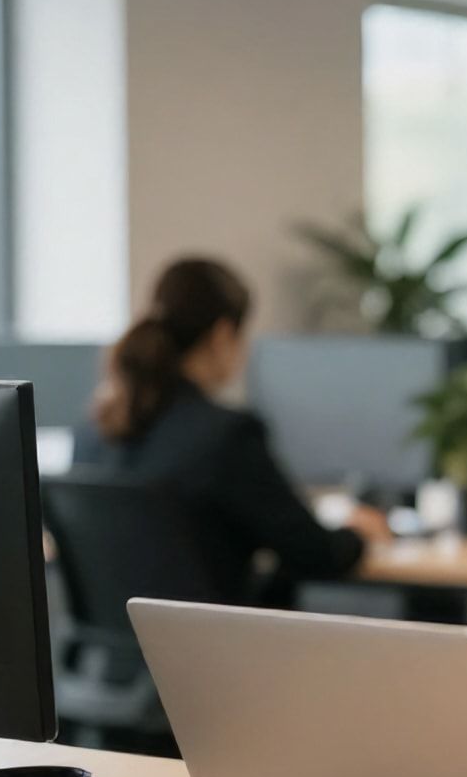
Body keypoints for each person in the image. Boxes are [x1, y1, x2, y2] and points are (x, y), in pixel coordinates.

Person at [73, 257, 388, 605]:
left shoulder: (94, 432)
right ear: (223, 335)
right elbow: (315, 553)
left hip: (114, 655)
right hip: (210, 653)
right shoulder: (227, 436)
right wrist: (358, 533)